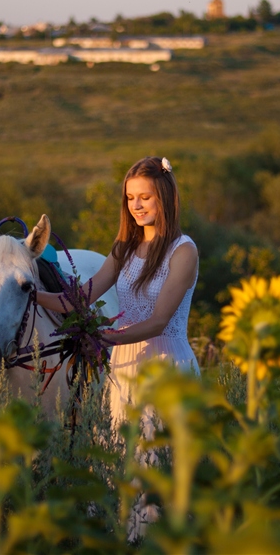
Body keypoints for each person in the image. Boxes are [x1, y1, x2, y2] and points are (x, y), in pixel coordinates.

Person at [37, 155, 201, 429]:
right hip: (124, 365)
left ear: (165, 197)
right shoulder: (123, 248)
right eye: (130, 197)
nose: (136, 205)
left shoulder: (183, 251)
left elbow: (159, 322)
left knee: (160, 460)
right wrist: (30, 295)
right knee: (124, 460)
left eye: (145, 197)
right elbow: (79, 299)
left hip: (167, 365)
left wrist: (103, 338)